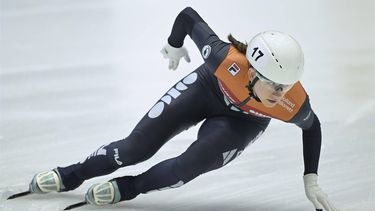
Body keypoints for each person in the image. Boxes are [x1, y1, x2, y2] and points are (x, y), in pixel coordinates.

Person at [28, 7, 338, 211]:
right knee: (134, 148)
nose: (280, 93)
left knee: (186, 168)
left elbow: (313, 128)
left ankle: (129, 187)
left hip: (243, 123)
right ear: (253, 71)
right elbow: (188, 16)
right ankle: (70, 174)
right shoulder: (224, 59)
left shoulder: (292, 103)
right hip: (206, 89)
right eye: (274, 85)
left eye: (286, 86)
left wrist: (310, 178)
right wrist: (174, 44)